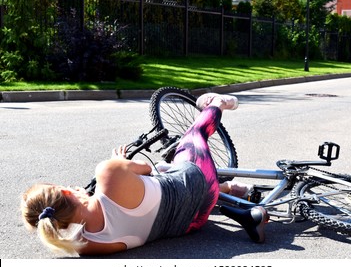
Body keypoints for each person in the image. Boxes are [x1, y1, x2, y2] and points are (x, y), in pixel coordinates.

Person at [20, 93, 269, 256]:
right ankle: (219, 103)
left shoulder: (86, 245)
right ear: (64, 191)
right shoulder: (107, 172)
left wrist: (88, 197)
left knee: (164, 172)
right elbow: (145, 168)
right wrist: (118, 162)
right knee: (193, 137)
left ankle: (231, 191)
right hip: (197, 181)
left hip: (193, 222)